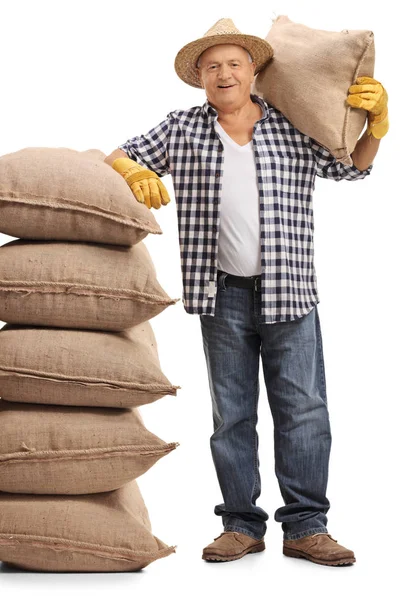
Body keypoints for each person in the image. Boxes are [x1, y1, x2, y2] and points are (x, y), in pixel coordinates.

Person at [104, 18, 388, 566]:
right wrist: (128, 170)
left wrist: (375, 124)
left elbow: (352, 168)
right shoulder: (182, 128)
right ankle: (240, 524)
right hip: (220, 294)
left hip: (291, 290)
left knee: (303, 409)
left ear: (254, 72)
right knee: (231, 413)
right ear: (200, 80)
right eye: (212, 67)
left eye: (234, 63)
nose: (223, 73)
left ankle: (307, 526)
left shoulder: (290, 125)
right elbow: (118, 154)